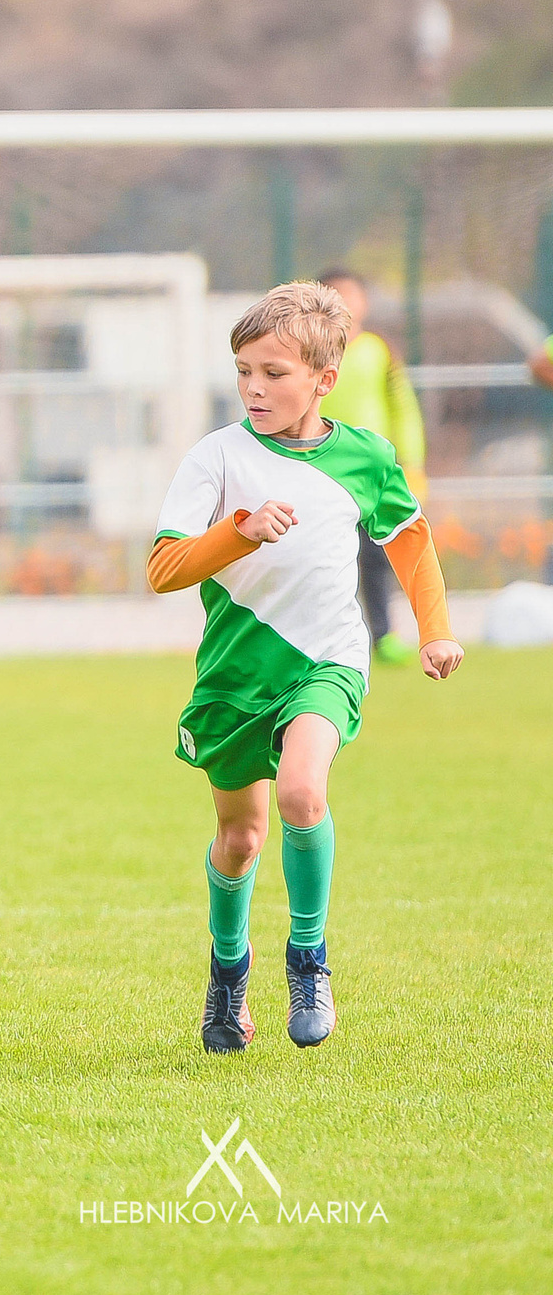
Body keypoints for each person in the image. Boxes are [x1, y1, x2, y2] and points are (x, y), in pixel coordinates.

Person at [147, 280, 460, 1055]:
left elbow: (411, 540)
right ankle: (227, 974)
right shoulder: (215, 456)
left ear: (323, 378)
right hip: (233, 675)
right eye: (244, 370)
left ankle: (309, 959)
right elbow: (163, 568)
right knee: (241, 837)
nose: (255, 386)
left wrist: (435, 631)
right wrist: (239, 532)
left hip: (328, 659)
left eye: (274, 372)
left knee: (301, 789)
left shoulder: (364, 456)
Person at [315, 268, 427, 665]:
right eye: (335, 294)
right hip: (321, 468)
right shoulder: (307, 352)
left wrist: (411, 463)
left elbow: (403, 408)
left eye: (351, 294)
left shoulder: (379, 351)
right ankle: (326, 640)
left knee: (378, 555)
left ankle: (384, 634)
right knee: (325, 557)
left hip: (372, 472)